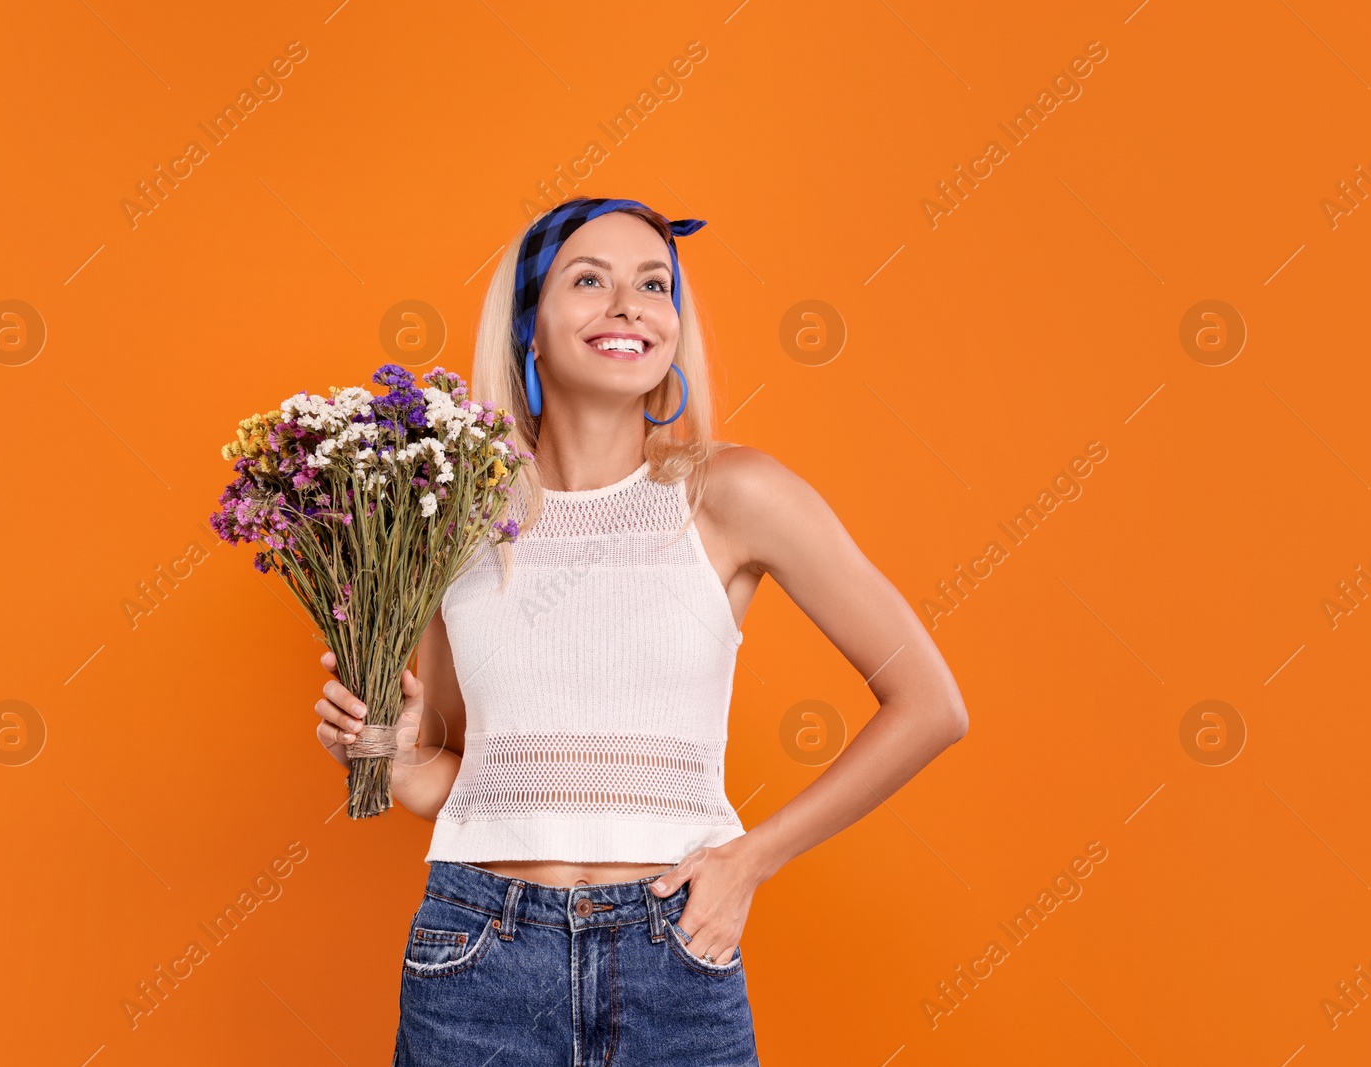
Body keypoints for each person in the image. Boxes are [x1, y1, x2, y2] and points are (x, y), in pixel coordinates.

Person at [313, 196, 968, 1065]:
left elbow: (931, 704)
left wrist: (750, 860)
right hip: (477, 953)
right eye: (590, 280)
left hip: (672, 955)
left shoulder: (728, 493)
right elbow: (459, 770)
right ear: (528, 327)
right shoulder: (454, 519)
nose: (630, 306)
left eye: (654, 284)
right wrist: (387, 752)